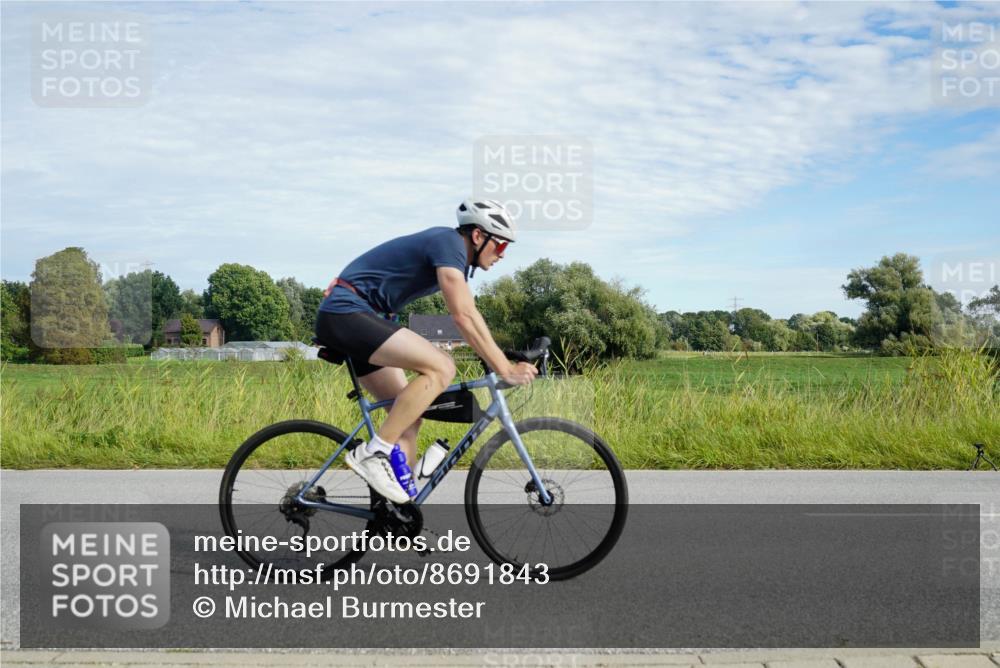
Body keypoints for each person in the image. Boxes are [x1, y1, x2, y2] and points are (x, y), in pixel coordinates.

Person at [315, 198, 538, 504]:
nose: (502, 255)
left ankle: (395, 510)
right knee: (442, 367)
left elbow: (469, 313)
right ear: (477, 236)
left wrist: (499, 357)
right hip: (347, 313)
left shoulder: (451, 252)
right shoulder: (449, 243)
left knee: (408, 418)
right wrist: (504, 368)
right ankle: (373, 453)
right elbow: (464, 315)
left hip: (361, 315)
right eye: (500, 246)